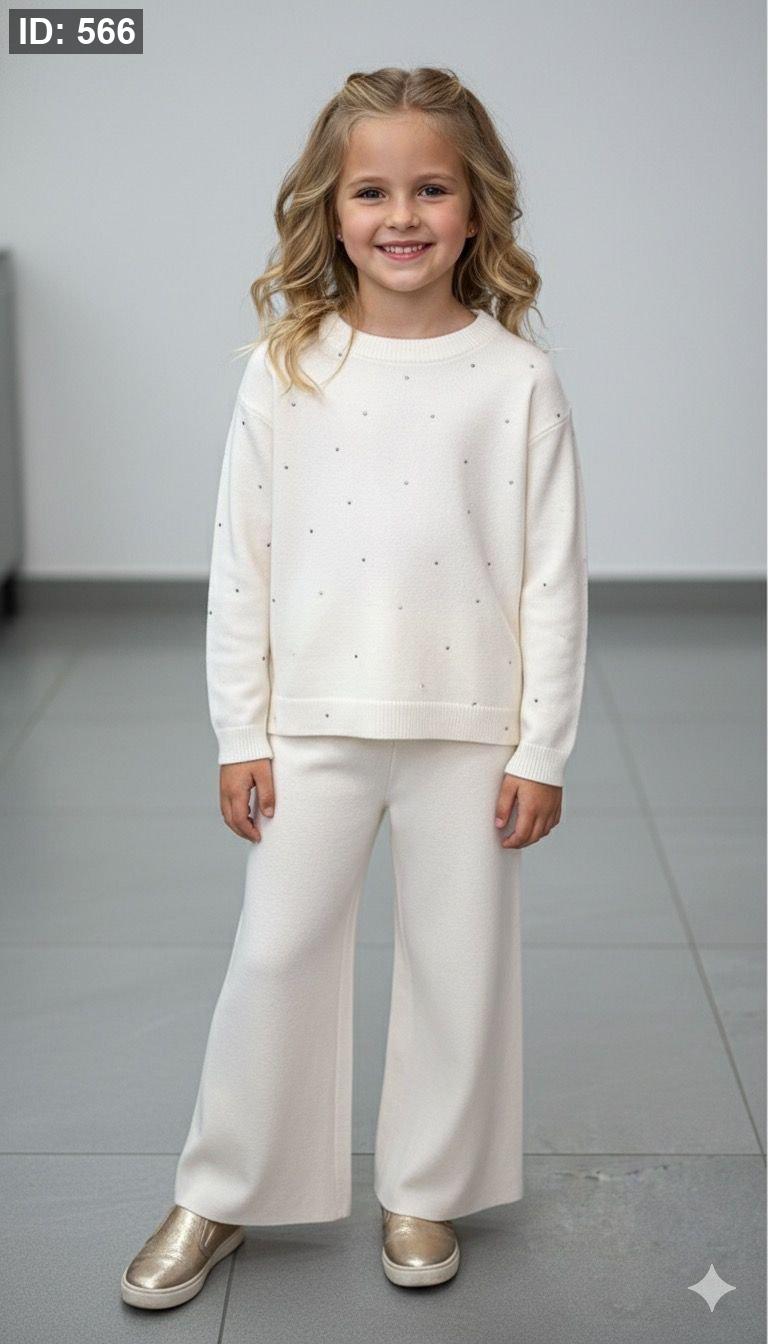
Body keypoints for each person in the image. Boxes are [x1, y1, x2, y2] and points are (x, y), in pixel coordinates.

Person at [121, 64, 588, 1309]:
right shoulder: (287, 369)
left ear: (475, 209)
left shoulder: (516, 381)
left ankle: (425, 1185)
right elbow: (242, 562)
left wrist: (541, 748)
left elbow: (552, 580)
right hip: (312, 724)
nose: (402, 216)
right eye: (371, 191)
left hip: (470, 730)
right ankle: (222, 1188)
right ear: (329, 212)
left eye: (431, 189)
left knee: (457, 964)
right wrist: (241, 729)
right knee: (275, 956)